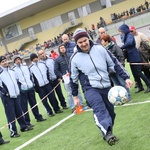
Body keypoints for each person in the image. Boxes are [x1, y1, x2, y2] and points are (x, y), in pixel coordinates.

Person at [70, 28, 133, 146]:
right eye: (80, 42)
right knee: (100, 108)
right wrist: (75, 96)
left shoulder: (100, 49)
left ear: (88, 39)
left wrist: (126, 77)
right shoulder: (74, 59)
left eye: (85, 40)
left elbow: (114, 63)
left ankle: (107, 132)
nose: (83, 44)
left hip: (106, 86)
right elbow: (73, 79)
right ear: (76, 43)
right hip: (90, 88)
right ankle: (108, 133)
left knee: (111, 113)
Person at [0, 56, 33, 138]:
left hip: (16, 95)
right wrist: (6, 93)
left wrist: (17, 91)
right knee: (10, 114)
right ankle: (13, 132)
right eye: (3, 61)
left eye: (5, 61)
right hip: (7, 97)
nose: (5, 62)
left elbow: (16, 81)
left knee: (19, 112)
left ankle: (23, 126)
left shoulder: (11, 71)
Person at [12, 55, 46, 125]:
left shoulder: (25, 67)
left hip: (30, 88)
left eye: (19, 59)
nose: (18, 61)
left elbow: (30, 76)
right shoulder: (13, 70)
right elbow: (15, 81)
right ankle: (27, 121)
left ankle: (38, 116)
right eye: (16, 60)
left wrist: (32, 84)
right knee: (24, 107)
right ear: (14, 61)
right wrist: (20, 89)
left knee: (34, 104)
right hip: (22, 90)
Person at [118, 24, 150, 93]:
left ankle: (149, 85)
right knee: (134, 73)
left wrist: (121, 47)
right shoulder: (125, 36)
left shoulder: (129, 35)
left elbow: (129, 43)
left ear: (124, 30)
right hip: (130, 57)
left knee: (139, 72)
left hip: (134, 56)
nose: (120, 33)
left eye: (120, 31)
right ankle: (140, 86)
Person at [54, 44, 84, 113]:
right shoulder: (57, 60)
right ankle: (73, 107)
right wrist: (62, 76)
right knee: (69, 93)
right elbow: (56, 70)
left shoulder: (71, 55)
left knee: (77, 90)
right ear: (59, 50)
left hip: (73, 76)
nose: (63, 49)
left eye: (63, 47)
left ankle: (81, 104)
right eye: (61, 48)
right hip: (65, 79)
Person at [100, 34, 131, 100]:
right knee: (117, 85)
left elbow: (121, 56)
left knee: (123, 83)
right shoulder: (103, 50)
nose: (101, 43)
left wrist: (121, 65)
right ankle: (120, 97)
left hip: (117, 70)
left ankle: (127, 96)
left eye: (102, 41)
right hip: (110, 72)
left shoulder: (114, 47)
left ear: (106, 41)